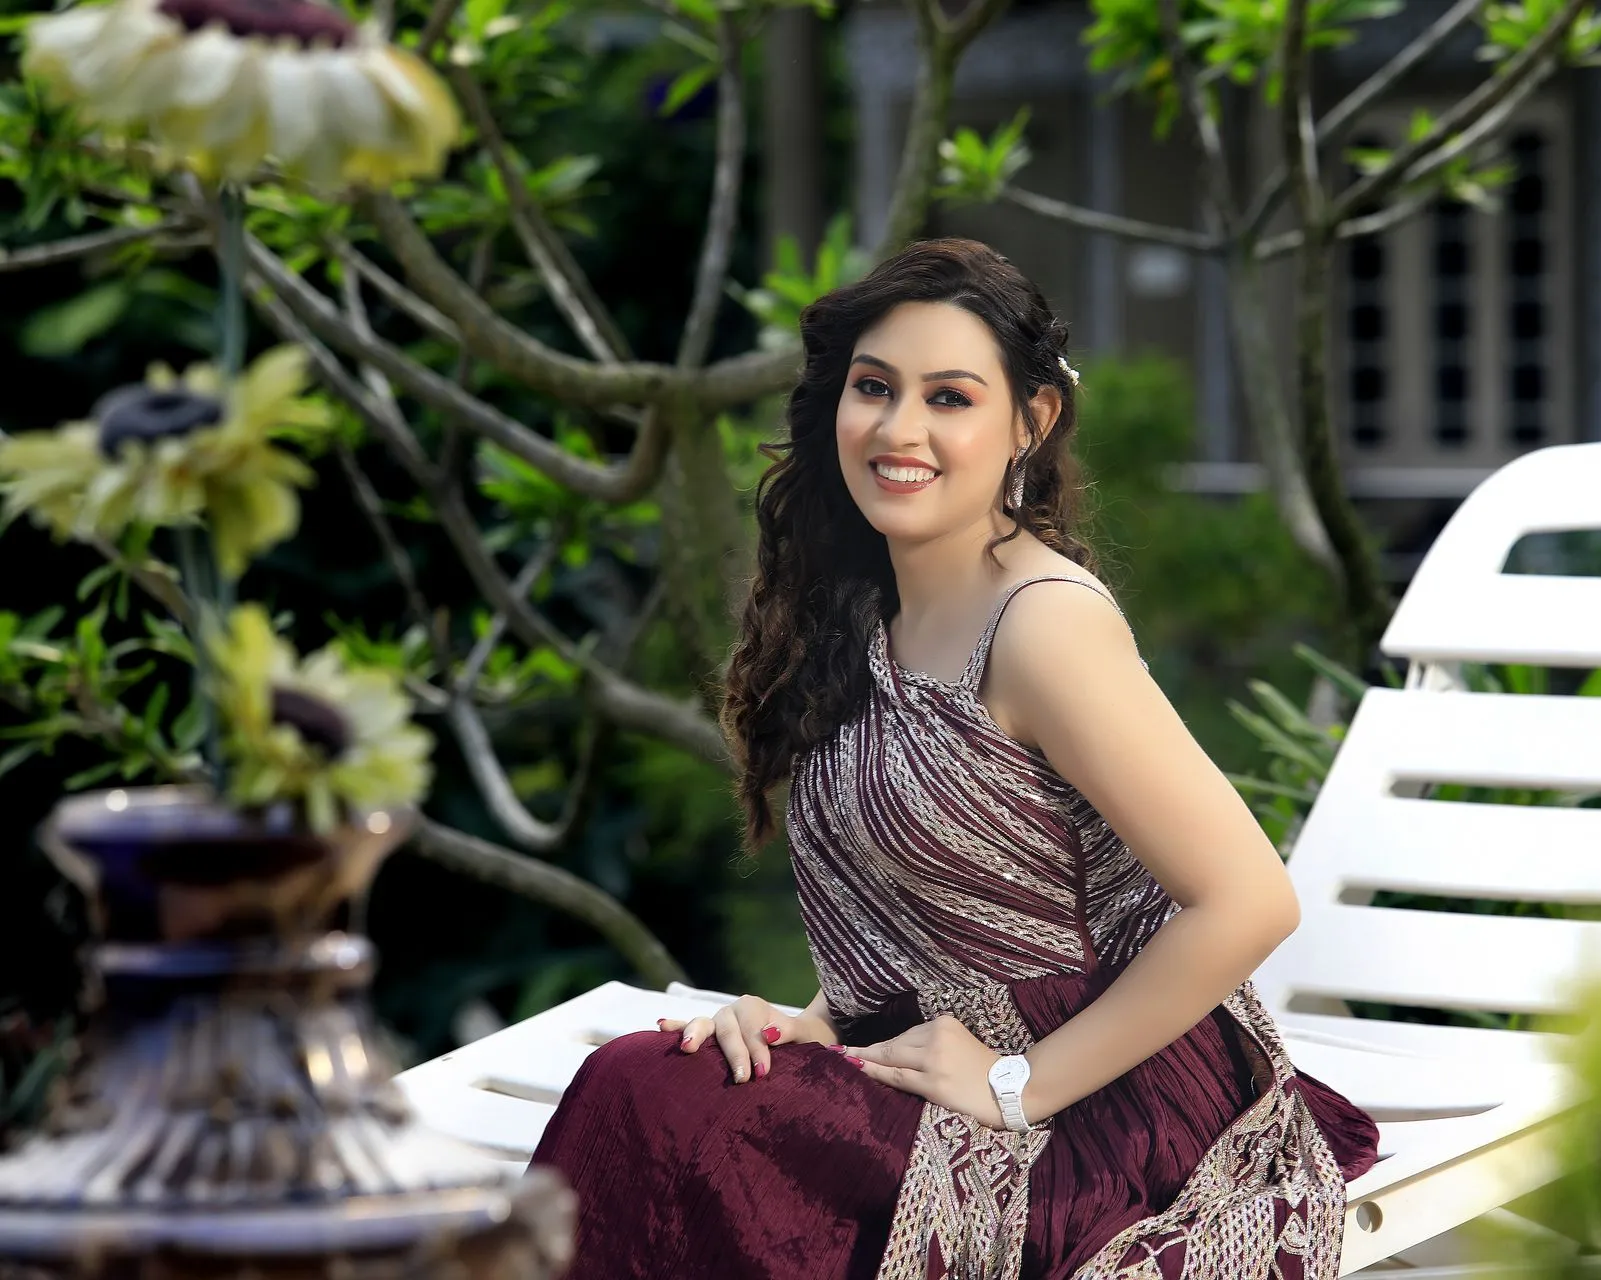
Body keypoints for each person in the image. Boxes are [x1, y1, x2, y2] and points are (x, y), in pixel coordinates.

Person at [530, 238, 1378, 1279]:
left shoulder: (1041, 625)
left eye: (950, 397)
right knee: (671, 1080)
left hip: (1104, 1118)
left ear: (1032, 420)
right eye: (875, 387)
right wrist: (801, 1026)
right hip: (931, 1073)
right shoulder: (865, 612)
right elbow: (938, 911)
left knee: (643, 1092)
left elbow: (1249, 900)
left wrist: (1020, 1081)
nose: (899, 429)